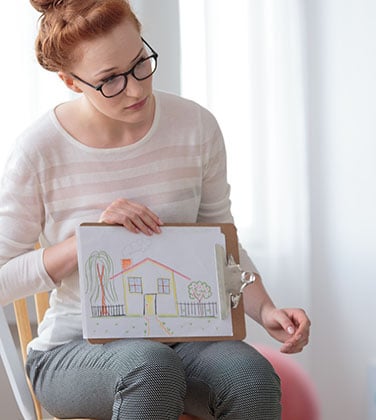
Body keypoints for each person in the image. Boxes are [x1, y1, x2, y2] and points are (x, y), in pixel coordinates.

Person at [0, 1, 310, 419]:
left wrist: (266, 309)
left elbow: (220, 241)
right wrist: (87, 242)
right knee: (149, 367)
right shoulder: (37, 151)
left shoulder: (196, 127)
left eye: (140, 63)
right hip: (74, 354)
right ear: (71, 82)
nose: (136, 88)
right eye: (110, 80)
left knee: (251, 376)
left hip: (185, 341)